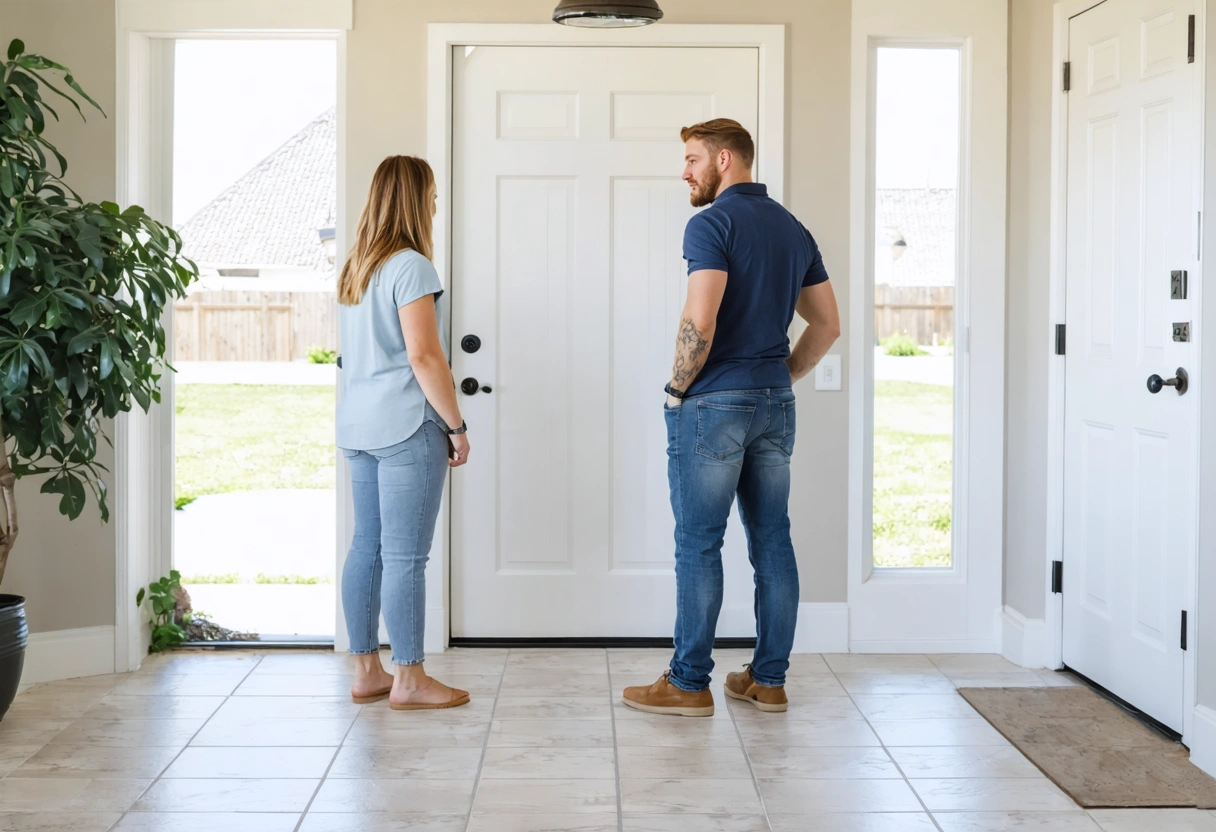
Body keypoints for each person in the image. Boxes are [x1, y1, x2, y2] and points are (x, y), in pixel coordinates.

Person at [622, 119, 840, 717]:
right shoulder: (794, 230)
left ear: (724, 160)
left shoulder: (711, 223)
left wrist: (676, 388)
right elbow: (827, 324)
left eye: (692, 159)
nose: (685, 171)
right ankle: (768, 680)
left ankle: (689, 683)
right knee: (772, 539)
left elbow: (701, 320)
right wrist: (779, 378)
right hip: (774, 404)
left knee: (698, 543)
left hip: (714, 403)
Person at [336, 155, 471, 711]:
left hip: (358, 422)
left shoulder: (356, 267)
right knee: (406, 556)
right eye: (433, 194)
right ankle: (410, 679)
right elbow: (423, 354)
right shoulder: (412, 265)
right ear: (417, 199)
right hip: (405, 424)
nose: (436, 203)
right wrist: (456, 426)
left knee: (366, 545)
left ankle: (368, 670)